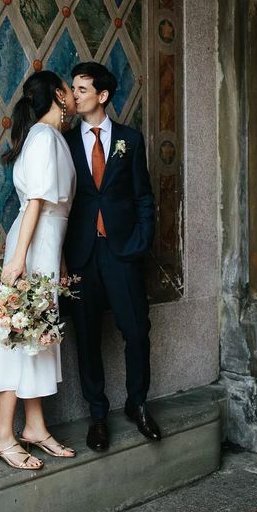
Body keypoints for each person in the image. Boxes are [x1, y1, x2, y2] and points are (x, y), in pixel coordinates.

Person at [0, 70, 77, 470]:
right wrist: (21, 258)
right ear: (58, 94)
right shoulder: (43, 137)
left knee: (35, 336)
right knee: (18, 334)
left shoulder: (48, 137)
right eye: (70, 90)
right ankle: (2, 434)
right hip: (32, 248)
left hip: (43, 247)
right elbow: (36, 201)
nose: (74, 95)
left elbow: (54, 212)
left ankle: (34, 426)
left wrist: (60, 262)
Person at [64, 61, 161, 452]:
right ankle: (98, 414)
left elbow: (143, 197)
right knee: (87, 337)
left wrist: (141, 242)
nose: (74, 96)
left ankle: (137, 403)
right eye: (73, 89)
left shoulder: (130, 140)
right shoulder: (66, 142)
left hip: (123, 252)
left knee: (137, 331)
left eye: (82, 89)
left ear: (102, 96)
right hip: (84, 253)